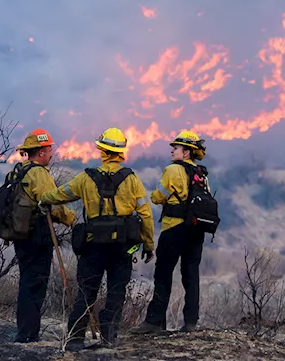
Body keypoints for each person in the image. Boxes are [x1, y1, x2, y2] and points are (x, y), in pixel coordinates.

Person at [39, 128, 155, 349]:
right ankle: (108, 337)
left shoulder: (85, 178)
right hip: (123, 248)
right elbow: (146, 215)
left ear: (102, 150)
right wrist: (148, 244)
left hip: (92, 246)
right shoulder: (132, 180)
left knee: (86, 291)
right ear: (120, 153)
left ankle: (74, 339)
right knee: (116, 292)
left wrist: (44, 199)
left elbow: (61, 194)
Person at [130, 131, 210, 335]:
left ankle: (154, 323)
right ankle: (191, 322)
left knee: (163, 275)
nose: (172, 150)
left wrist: (157, 194)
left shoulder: (172, 170)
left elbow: (158, 197)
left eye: (176, 147)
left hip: (173, 229)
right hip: (196, 231)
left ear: (186, 152)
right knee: (191, 276)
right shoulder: (201, 173)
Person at [5, 128, 76, 343]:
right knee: (35, 284)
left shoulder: (17, 172)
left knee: (27, 280)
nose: (52, 153)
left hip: (21, 235)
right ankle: (28, 335)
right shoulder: (39, 174)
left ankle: (26, 331)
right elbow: (51, 203)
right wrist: (71, 218)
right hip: (37, 235)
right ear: (42, 151)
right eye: (49, 149)